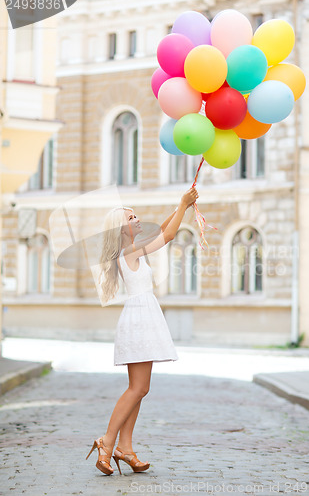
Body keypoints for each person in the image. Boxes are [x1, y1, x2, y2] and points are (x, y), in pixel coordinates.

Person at [86, 187, 199, 475]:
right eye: (132, 217)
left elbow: (162, 229)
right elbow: (170, 235)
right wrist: (183, 204)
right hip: (139, 321)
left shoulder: (133, 248)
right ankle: (107, 442)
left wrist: (181, 206)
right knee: (138, 388)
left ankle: (126, 448)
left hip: (141, 318)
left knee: (140, 389)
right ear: (121, 229)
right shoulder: (129, 250)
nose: (137, 219)